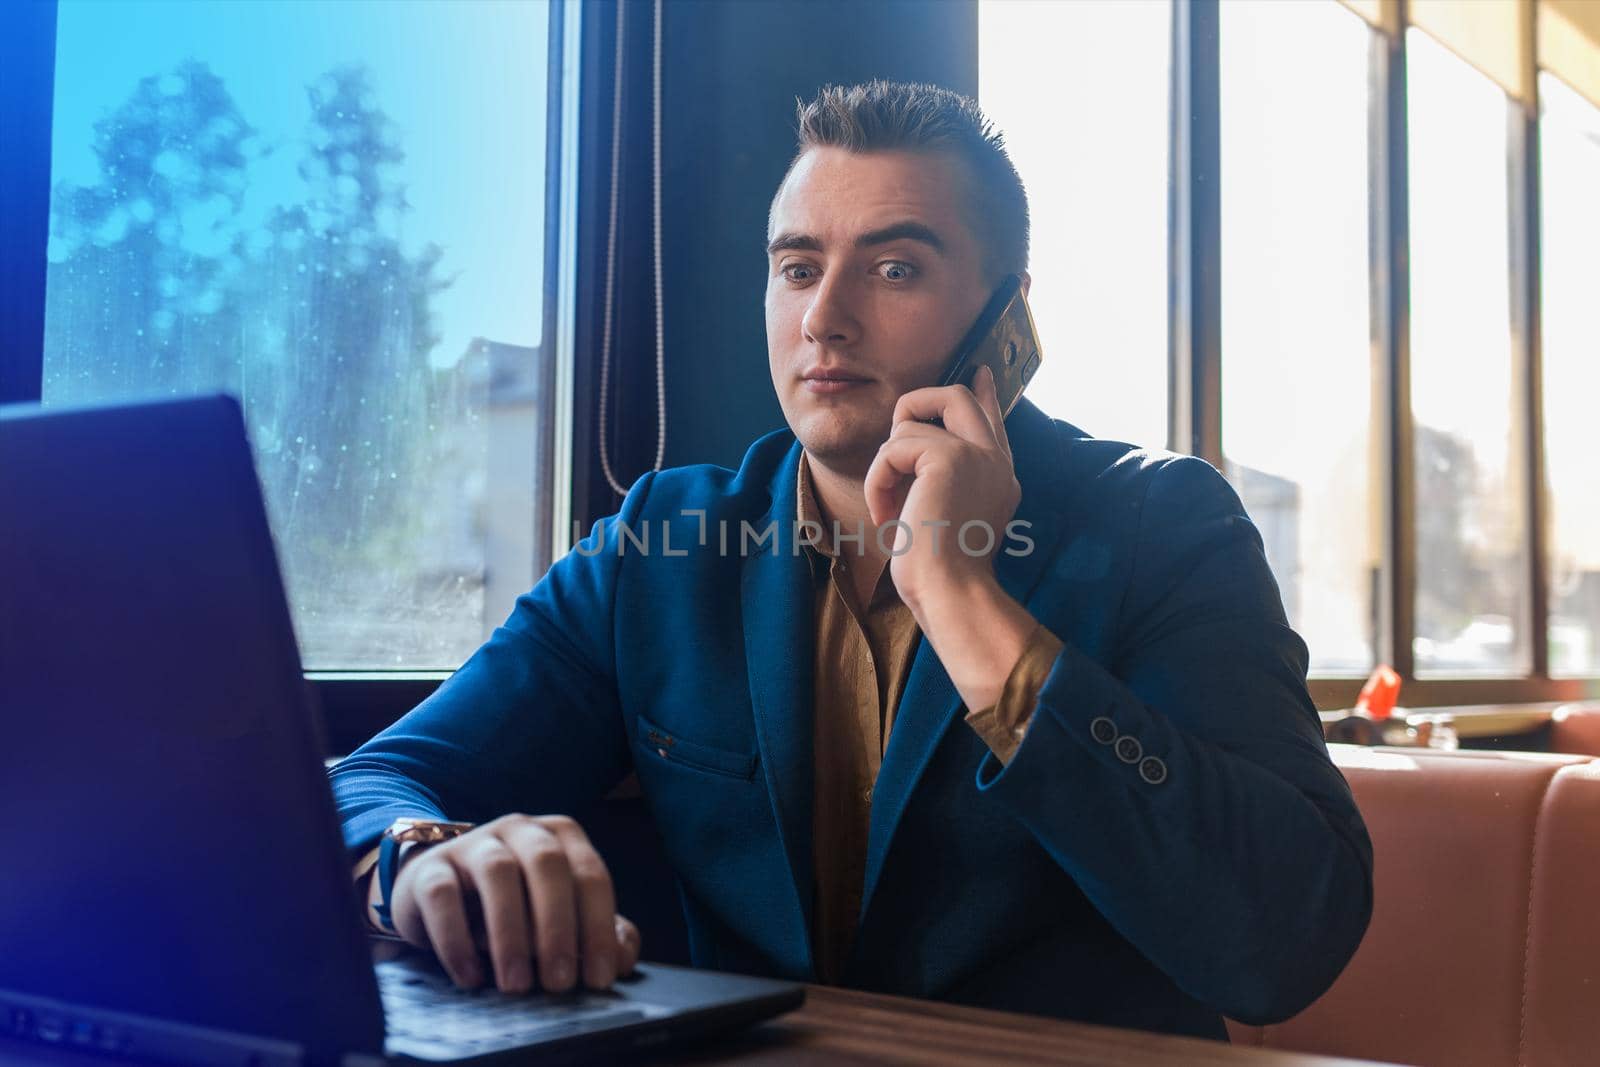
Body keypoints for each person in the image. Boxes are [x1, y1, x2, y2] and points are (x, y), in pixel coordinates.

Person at [330, 79, 1372, 1041]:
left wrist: (962, 601)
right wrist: (418, 852)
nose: (823, 318)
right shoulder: (665, 540)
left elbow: (1286, 933)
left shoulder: (1163, 524)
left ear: (1004, 316)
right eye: (796, 268)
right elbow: (373, 776)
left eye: (894, 267)